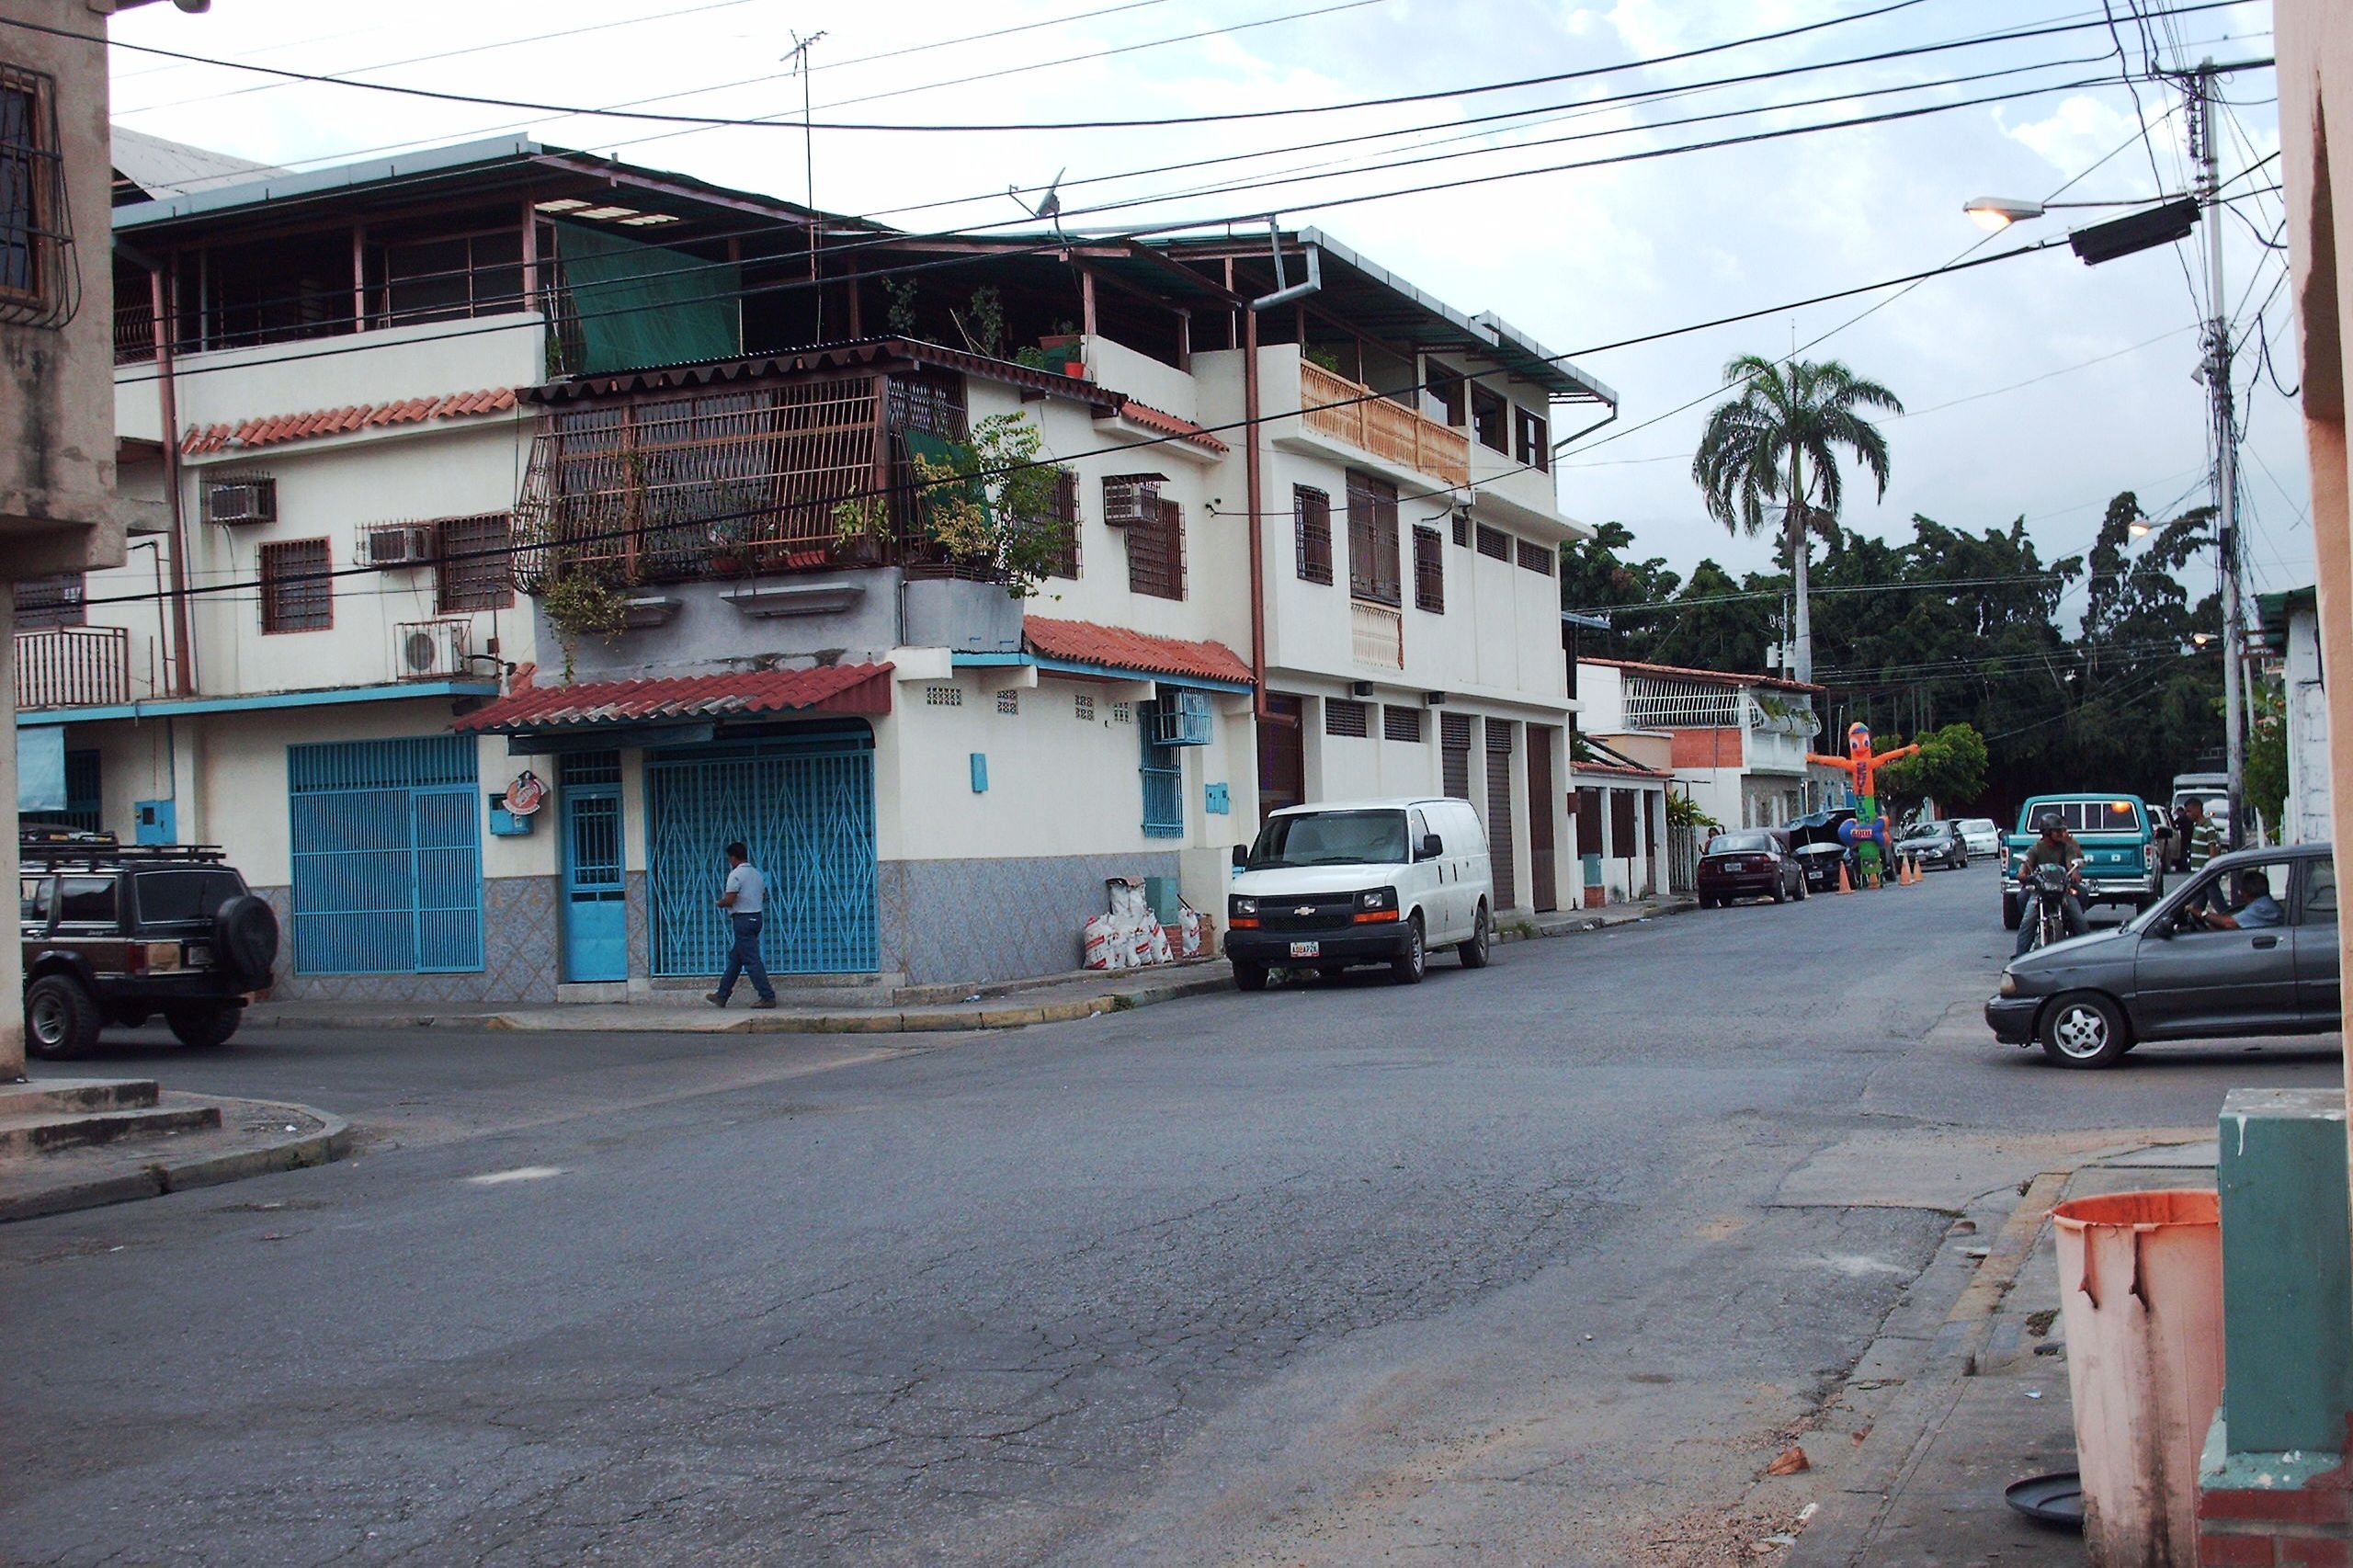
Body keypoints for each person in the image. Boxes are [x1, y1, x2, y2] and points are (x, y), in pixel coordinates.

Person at [707, 840, 777, 1009]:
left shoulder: (735, 875)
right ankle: (722, 995)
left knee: (752, 961)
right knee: (736, 959)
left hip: (743, 920)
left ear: (733, 857)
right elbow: (764, 895)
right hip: (756, 918)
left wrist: (720, 903)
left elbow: (730, 900)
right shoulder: (757, 874)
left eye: (729, 858)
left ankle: (767, 996)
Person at [2015, 811, 2088, 957]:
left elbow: (2071, 864)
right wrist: (2024, 876)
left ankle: (2086, 952)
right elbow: (2024, 868)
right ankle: (2020, 956)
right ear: (2047, 832)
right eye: (2058, 830)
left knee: (2079, 919)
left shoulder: (2066, 847)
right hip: (2041, 891)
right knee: (2027, 921)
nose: (2062, 833)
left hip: (2063, 890)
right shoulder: (2036, 848)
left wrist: (2074, 873)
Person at [2188, 868, 2285, 931]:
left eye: (2241, 890)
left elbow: (2228, 923)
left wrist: (2200, 913)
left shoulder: (2261, 908)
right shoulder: (2263, 904)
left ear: (2247, 892)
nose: (2240, 894)